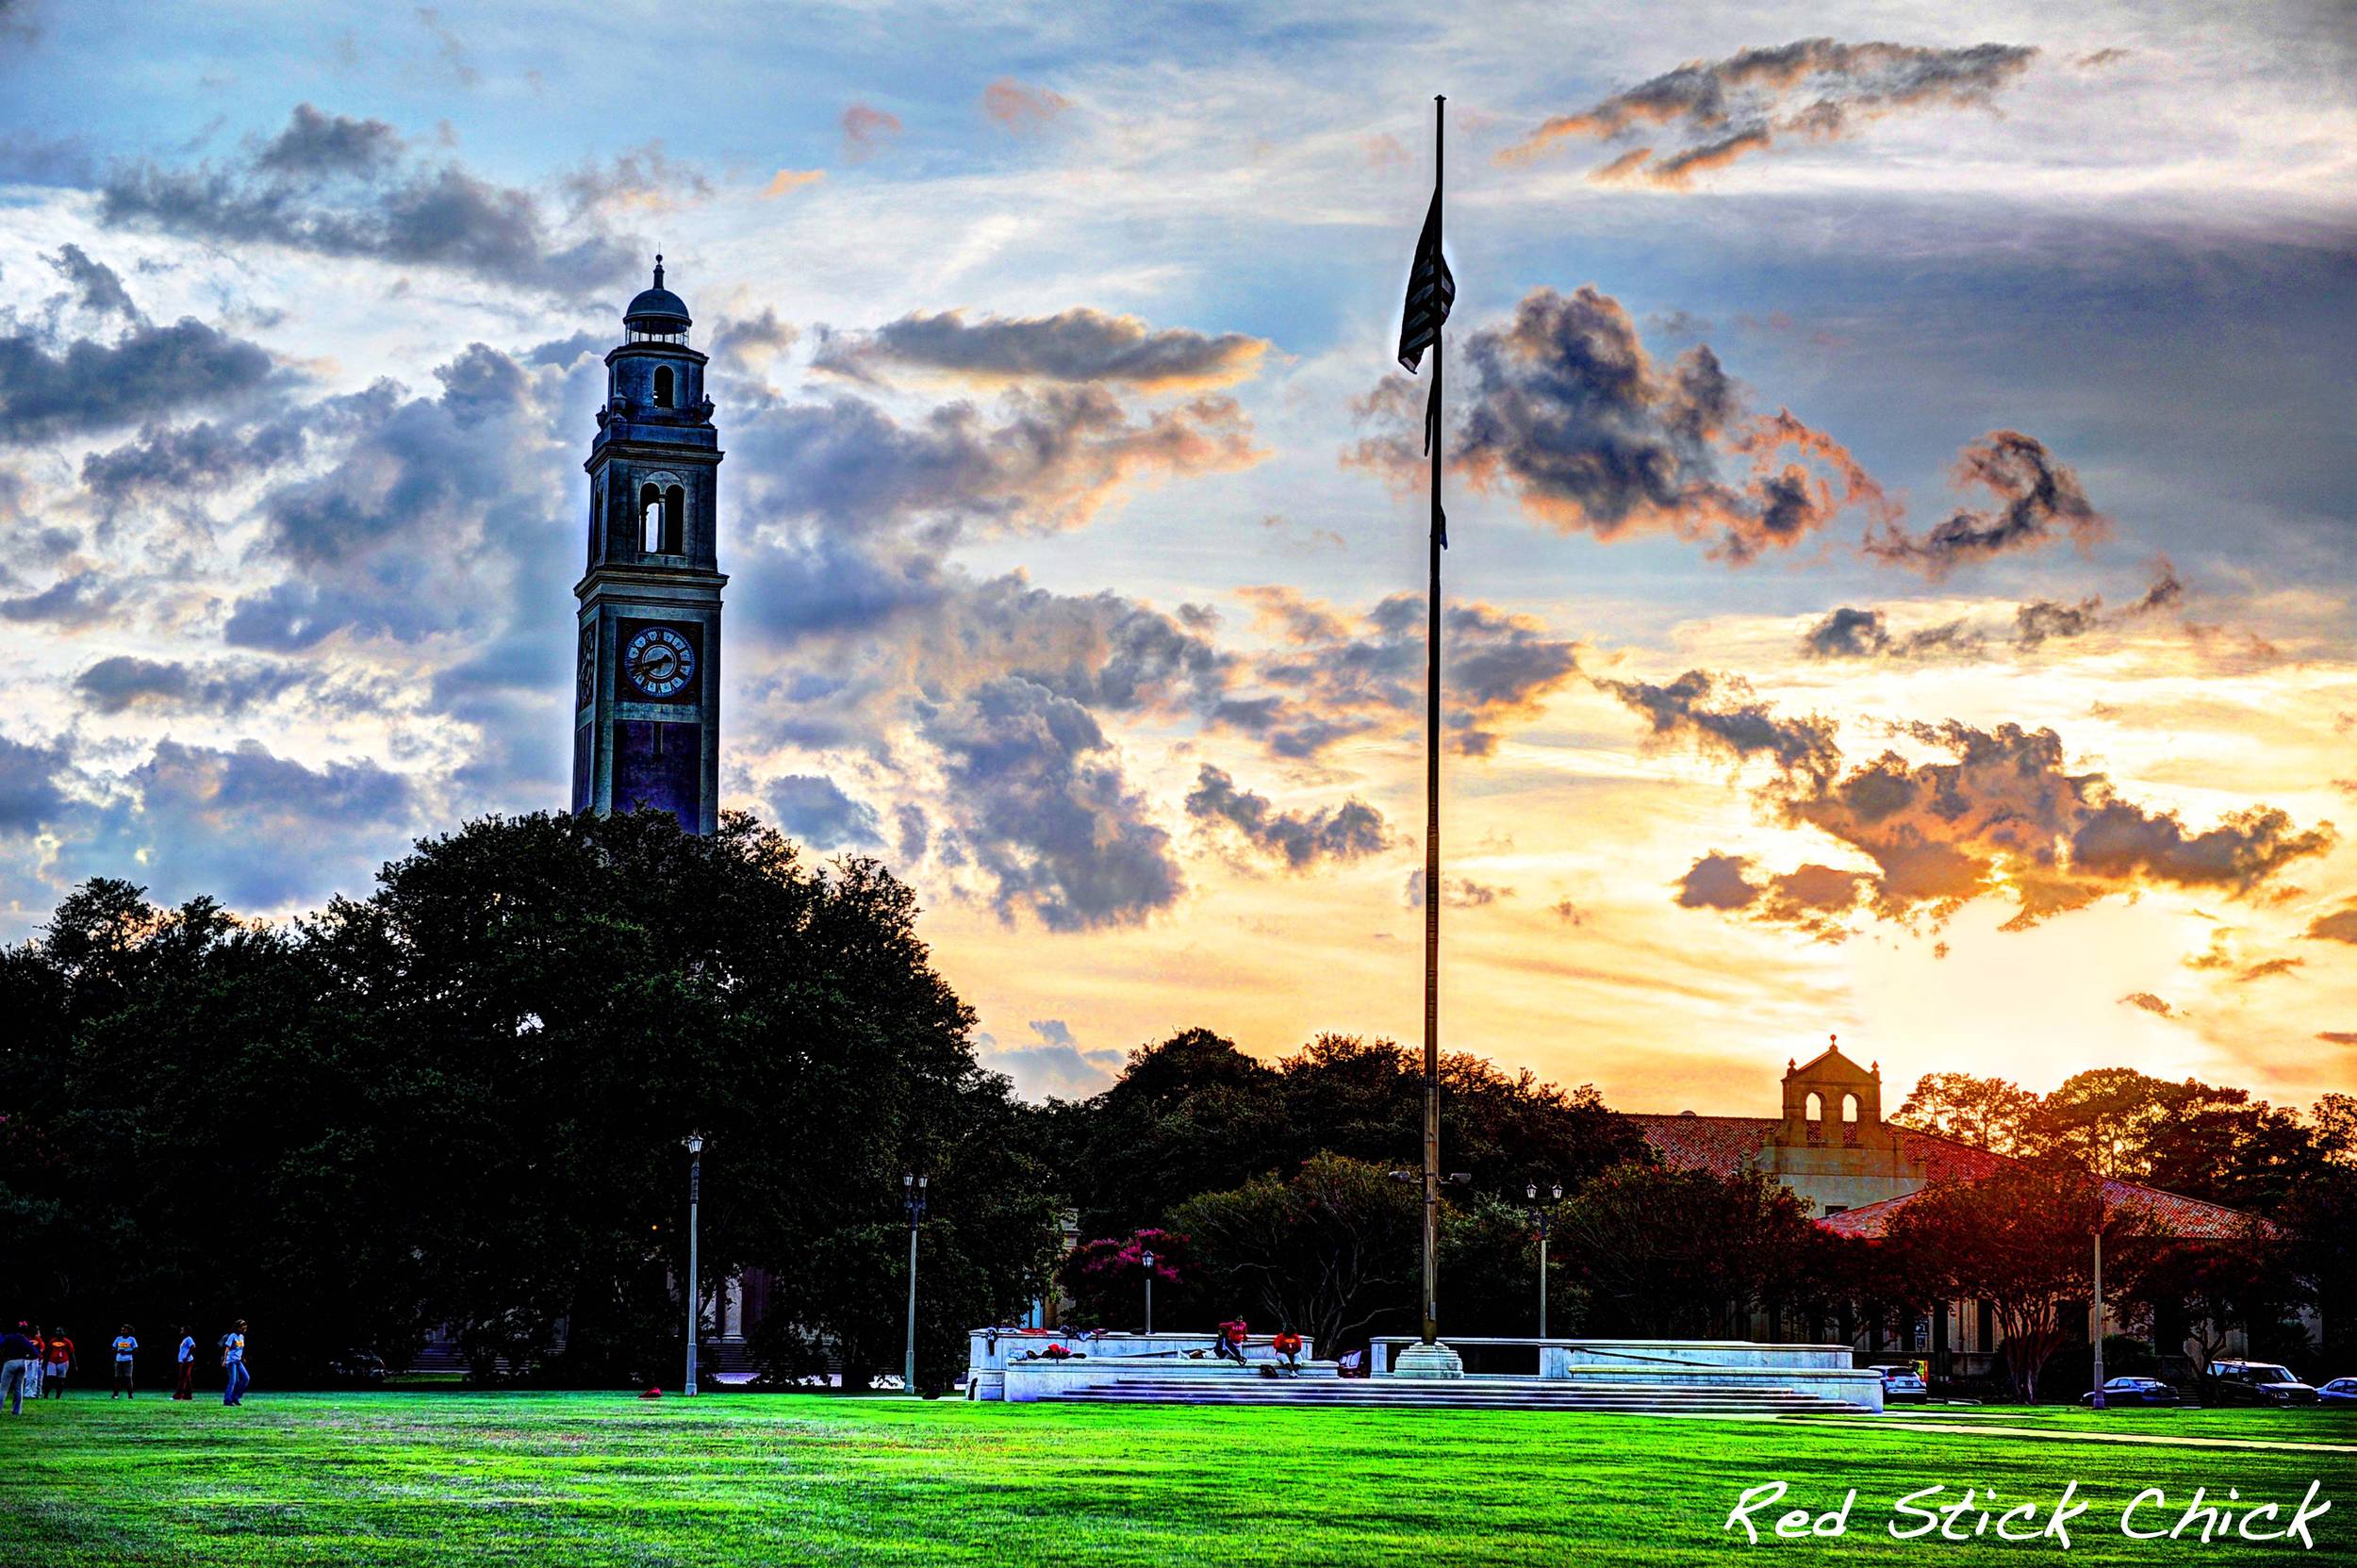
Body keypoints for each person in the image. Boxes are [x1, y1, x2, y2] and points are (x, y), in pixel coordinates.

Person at [1, 1324, 37, 1415]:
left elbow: (1, 1346)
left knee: (4, 1388)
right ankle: (17, 1411)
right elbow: (36, 1353)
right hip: (21, 1362)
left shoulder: (9, 1337)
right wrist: (27, 1357)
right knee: (18, 1388)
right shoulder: (24, 1339)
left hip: (10, 1362)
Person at [220, 1320, 249, 1406]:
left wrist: (243, 1357)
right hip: (231, 1361)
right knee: (233, 1381)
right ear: (238, 1328)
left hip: (238, 1361)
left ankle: (236, 1398)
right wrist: (224, 1360)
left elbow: (241, 1348)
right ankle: (227, 1400)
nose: (244, 1329)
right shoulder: (232, 1336)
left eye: (245, 1328)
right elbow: (227, 1349)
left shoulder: (242, 1337)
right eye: (243, 1328)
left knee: (246, 1378)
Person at [42, 1327, 74, 1398]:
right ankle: (46, 1396)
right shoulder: (52, 1341)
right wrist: (45, 1362)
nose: (58, 1333)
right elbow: (48, 1352)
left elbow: (72, 1353)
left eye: (60, 1331)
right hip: (52, 1361)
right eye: (57, 1331)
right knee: (50, 1378)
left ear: (64, 1332)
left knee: (60, 1380)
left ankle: (58, 1396)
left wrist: (75, 1365)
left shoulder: (67, 1342)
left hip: (63, 1362)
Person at [110, 1325, 138, 1398]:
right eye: (122, 1330)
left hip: (128, 1361)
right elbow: (113, 1348)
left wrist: (126, 1352)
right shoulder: (118, 1338)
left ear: (128, 1331)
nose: (122, 1331)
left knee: (128, 1378)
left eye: (124, 1330)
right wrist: (118, 1350)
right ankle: (115, 1395)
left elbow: (135, 1350)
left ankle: (130, 1395)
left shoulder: (132, 1339)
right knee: (117, 1378)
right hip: (118, 1360)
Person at [173, 1328, 196, 1400]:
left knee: (183, 1378)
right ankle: (187, 1396)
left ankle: (178, 1395)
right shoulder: (185, 1339)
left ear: (186, 1331)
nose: (181, 1331)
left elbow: (193, 1347)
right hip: (183, 1361)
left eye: (182, 1330)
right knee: (187, 1378)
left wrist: (187, 1356)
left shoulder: (189, 1339)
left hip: (187, 1361)